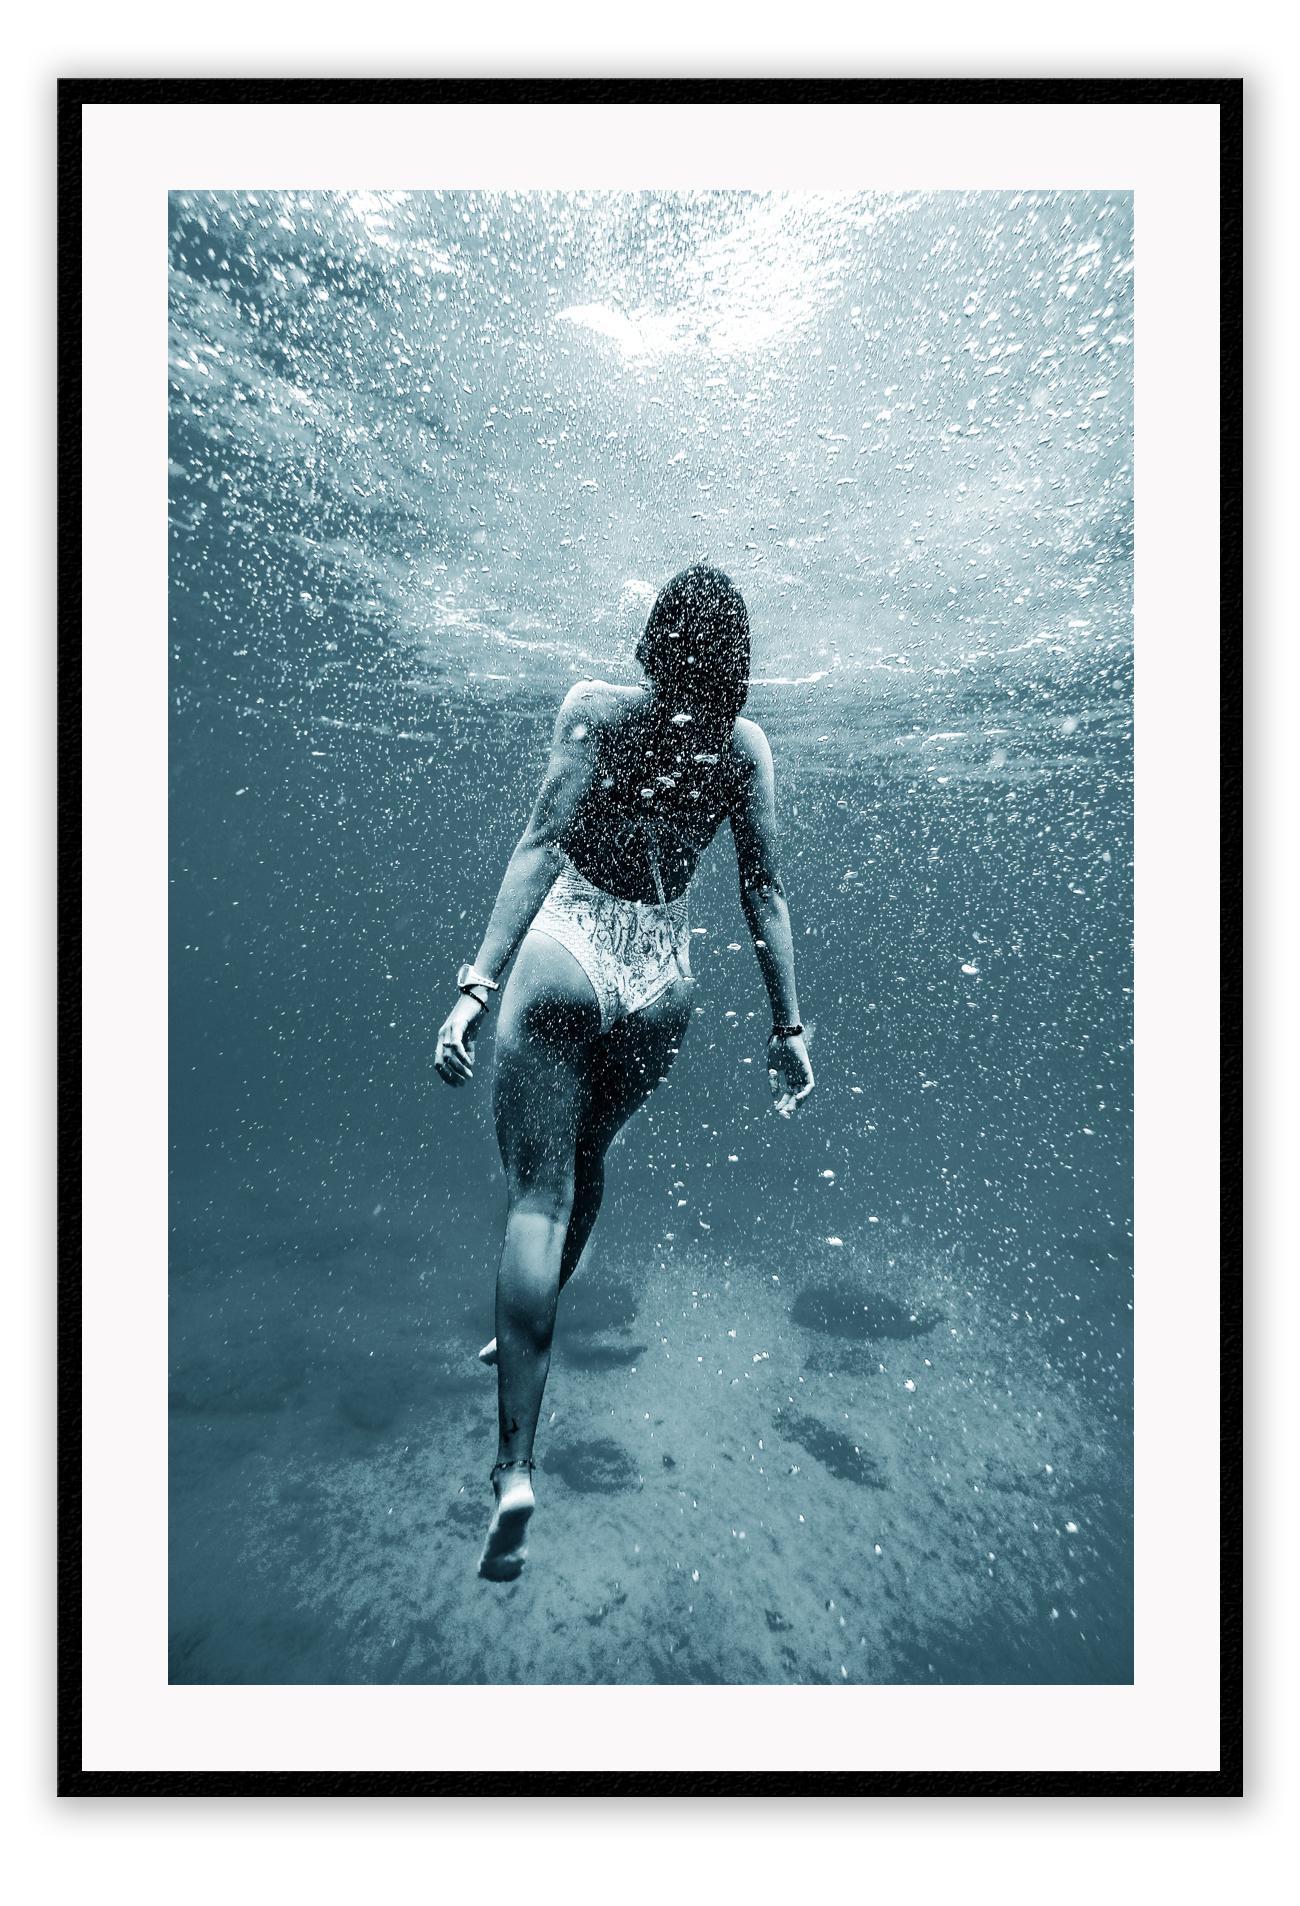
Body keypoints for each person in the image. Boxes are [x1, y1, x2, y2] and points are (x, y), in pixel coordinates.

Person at [434, 565, 814, 1581]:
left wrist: (477, 985)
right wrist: (788, 1027)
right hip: (662, 980)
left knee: (533, 1198)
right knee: (590, 1153)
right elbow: (763, 892)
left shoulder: (594, 713)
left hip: (568, 954)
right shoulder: (742, 749)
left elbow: (539, 845)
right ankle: (539, 1313)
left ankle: (513, 1464)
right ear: (736, 661)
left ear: (652, 637)